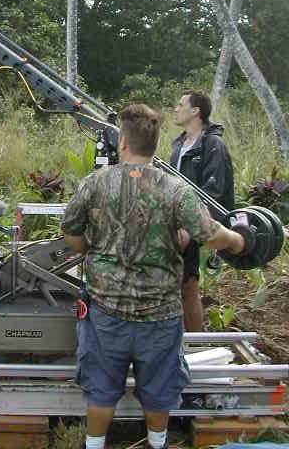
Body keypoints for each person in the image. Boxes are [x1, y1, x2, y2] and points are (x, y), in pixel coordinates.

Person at [61, 104, 246, 449]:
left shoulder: (94, 184)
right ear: (155, 144)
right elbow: (210, 235)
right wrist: (238, 240)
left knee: (101, 388)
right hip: (160, 316)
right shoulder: (176, 190)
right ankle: (157, 443)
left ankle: (94, 445)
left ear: (122, 142)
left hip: (106, 313)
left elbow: (70, 232)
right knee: (159, 387)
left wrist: (90, 248)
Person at [171, 90, 235, 332]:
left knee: (187, 286)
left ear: (195, 111)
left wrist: (191, 228)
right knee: (179, 286)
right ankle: (180, 341)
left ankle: (193, 343)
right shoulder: (178, 144)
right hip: (176, 223)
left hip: (192, 224)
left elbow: (213, 192)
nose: (176, 109)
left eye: (181, 104)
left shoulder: (213, 145)